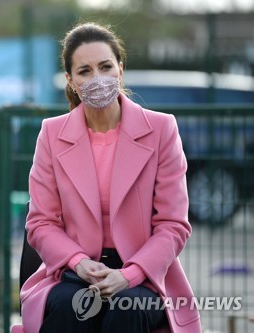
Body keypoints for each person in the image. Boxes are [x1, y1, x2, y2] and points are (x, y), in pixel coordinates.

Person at [17, 22, 201, 333]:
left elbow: (173, 224)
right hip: (73, 272)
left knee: (126, 310)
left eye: (105, 67)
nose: (97, 78)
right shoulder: (51, 133)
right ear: (70, 81)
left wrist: (128, 275)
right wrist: (78, 262)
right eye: (85, 71)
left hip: (144, 275)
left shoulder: (161, 129)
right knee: (71, 307)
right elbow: (41, 222)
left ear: (120, 69)